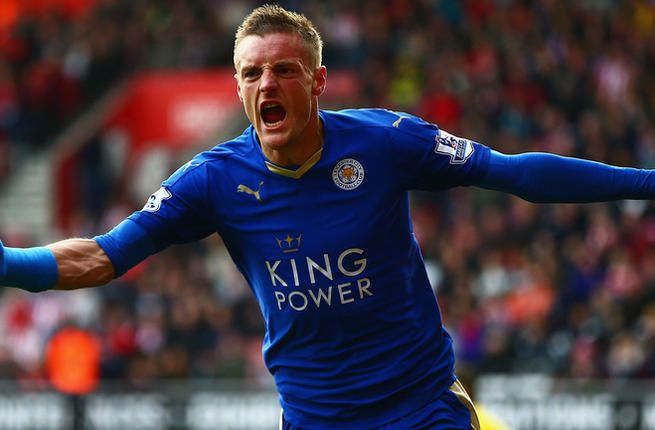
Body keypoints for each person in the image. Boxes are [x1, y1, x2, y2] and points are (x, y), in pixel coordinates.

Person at [1, 4, 655, 429]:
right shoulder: (211, 180)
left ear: (316, 82)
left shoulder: (385, 142)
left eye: (284, 70)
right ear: (238, 87)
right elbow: (101, 256)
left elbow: (512, 173)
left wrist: (646, 183)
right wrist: (6, 263)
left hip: (421, 412)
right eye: (252, 74)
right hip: (316, 421)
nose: (266, 84)